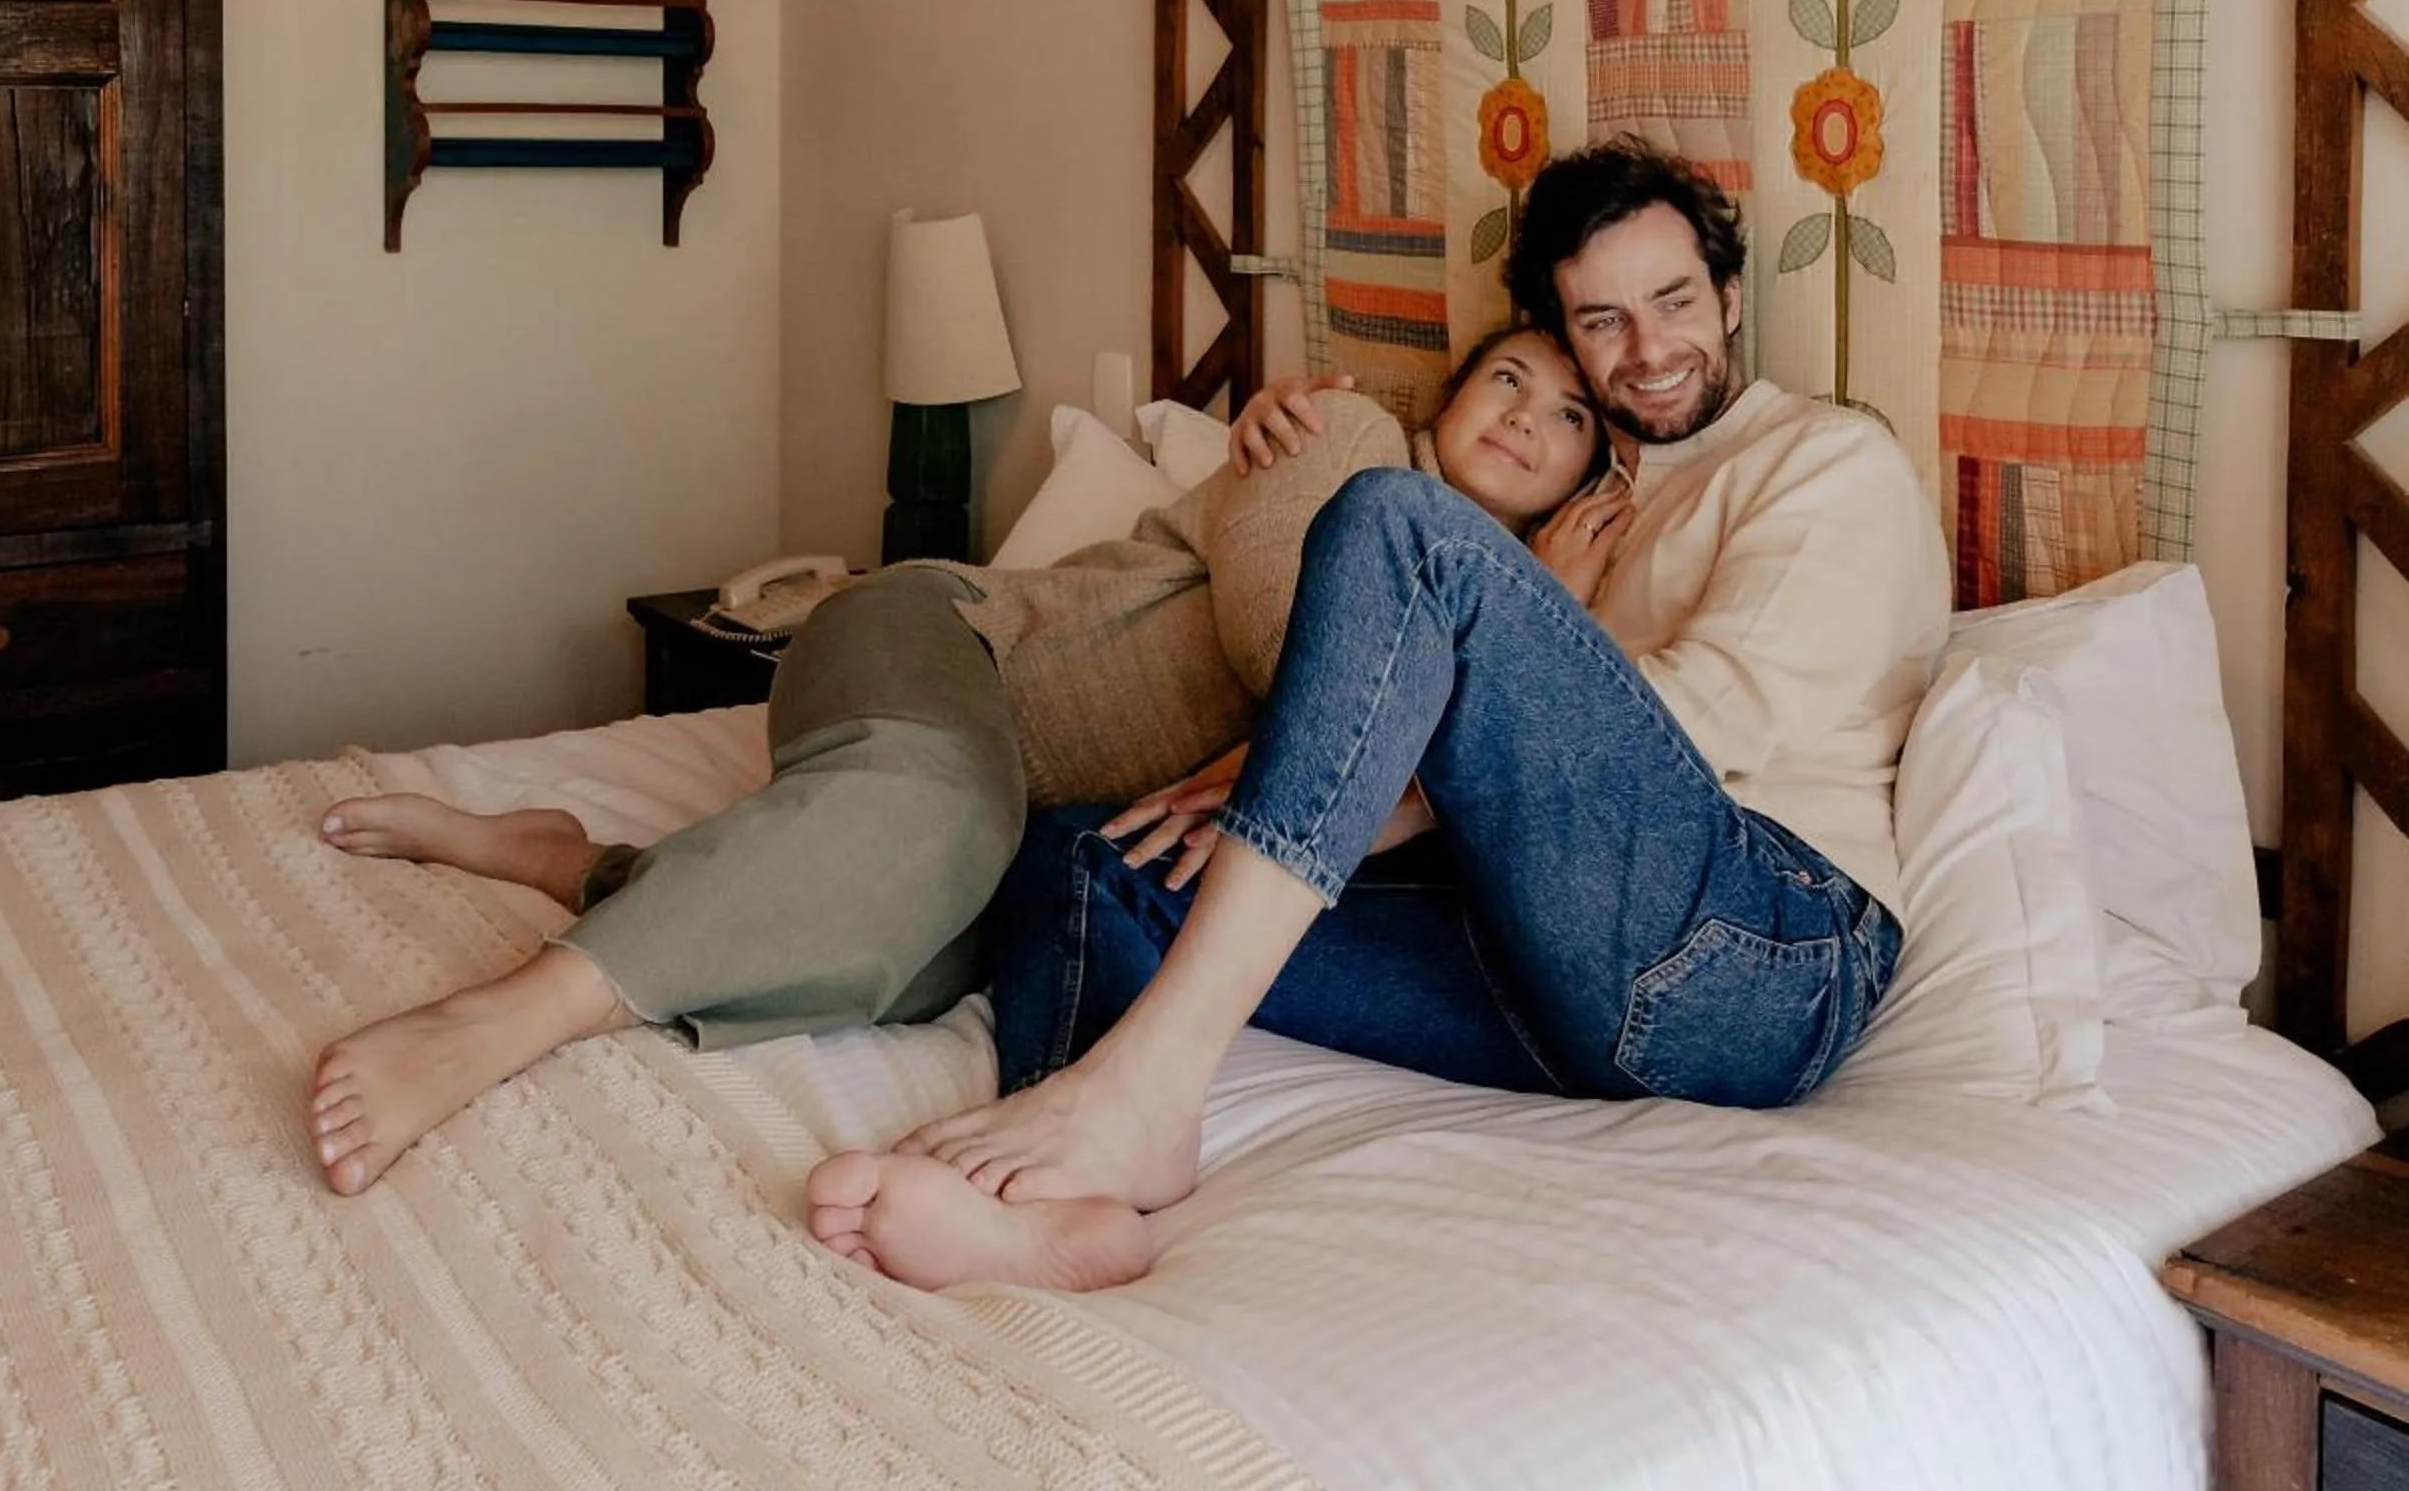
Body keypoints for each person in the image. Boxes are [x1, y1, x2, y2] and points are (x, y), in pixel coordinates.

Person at [807, 140, 1951, 1294]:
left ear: (1732, 297)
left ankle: (1150, 1090)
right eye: (1602, 320)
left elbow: (1709, 717)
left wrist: (1352, 797)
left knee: (1396, 523)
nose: (1648, 350)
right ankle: (1056, 1206)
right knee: (1097, 852)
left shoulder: (1825, 458)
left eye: (1675, 301)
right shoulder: (1590, 505)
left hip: (1760, 952)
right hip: (1553, 960)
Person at [306, 326, 1607, 1196]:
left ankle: (580, 860)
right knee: (937, 815)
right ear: (1447, 392)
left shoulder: (1466, 623)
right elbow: (1296, 649)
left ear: (1579, 485)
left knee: (914, 964)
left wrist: (1536, 622)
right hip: (953, 642)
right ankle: (510, 1014)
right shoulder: (1345, 443)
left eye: (1568, 415)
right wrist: (1516, 640)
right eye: (1507, 377)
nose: (1525, 417)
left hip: (1015, 814)